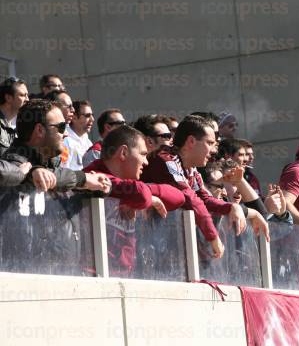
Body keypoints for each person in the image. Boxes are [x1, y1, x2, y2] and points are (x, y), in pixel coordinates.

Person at [140, 115, 248, 258]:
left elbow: (204, 198)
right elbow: (190, 198)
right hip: (143, 244)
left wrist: (232, 207)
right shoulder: (165, 158)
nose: (214, 150)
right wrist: (213, 236)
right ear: (191, 141)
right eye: (209, 143)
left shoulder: (190, 167)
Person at [84, 125, 186, 276]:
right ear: (123, 153)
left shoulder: (129, 186)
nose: (146, 162)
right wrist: (142, 197)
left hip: (124, 275)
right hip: (92, 275)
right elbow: (140, 194)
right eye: (143, 154)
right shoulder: (94, 176)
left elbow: (179, 197)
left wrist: (143, 197)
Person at [3, 99, 111, 193]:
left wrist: (97, 186)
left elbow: (59, 178)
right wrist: (83, 179)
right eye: (61, 127)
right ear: (40, 130)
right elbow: (16, 173)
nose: (66, 134)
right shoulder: (14, 160)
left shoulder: (50, 161)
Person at [0, 76, 29, 154]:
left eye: (27, 95)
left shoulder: (22, 124)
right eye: (22, 95)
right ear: (8, 98)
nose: (27, 99)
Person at [62, 100, 94, 170]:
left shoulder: (88, 142)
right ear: (74, 118)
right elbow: (63, 172)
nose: (92, 119)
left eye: (92, 115)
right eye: (87, 116)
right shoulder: (65, 141)